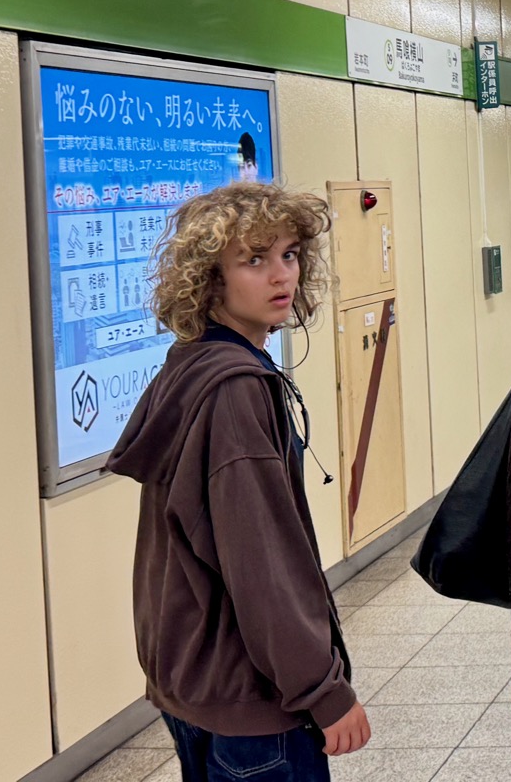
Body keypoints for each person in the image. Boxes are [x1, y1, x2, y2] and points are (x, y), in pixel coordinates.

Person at [109, 183, 369, 782]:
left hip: (194, 681)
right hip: (253, 703)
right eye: (254, 259)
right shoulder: (234, 390)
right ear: (210, 279)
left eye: (290, 254)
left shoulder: (191, 363)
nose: (282, 275)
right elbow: (262, 563)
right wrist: (324, 692)